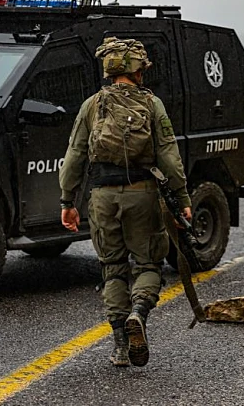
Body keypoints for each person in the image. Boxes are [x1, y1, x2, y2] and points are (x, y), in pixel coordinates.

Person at [59, 37, 192, 367]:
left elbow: (74, 156)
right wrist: (183, 199)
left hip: (102, 197)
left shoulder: (92, 105)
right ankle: (138, 314)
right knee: (148, 266)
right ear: (138, 70)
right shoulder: (151, 104)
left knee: (112, 269)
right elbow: (169, 156)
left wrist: (67, 202)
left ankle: (120, 345)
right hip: (142, 195)